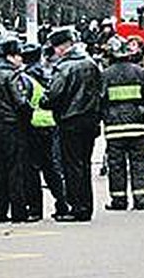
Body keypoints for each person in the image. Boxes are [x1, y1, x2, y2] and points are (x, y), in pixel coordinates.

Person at [43, 26, 104, 222]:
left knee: (72, 166)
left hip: (70, 121)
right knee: (84, 165)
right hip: (90, 121)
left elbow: (54, 95)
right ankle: (86, 206)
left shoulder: (65, 67)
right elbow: (102, 92)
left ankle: (77, 207)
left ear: (61, 48)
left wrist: (44, 101)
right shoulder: (91, 64)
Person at [100, 36, 144, 211]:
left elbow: (99, 101)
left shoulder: (105, 75)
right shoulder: (142, 73)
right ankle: (142, 199)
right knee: (139, 163)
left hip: (114, 129)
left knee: (116, 165)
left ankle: (119, 200)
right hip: (137, 127)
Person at [0, 36, 31, 223]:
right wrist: (29, 113)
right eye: (19, 55)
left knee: (0, 170)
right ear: (11, 57)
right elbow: (20, 102)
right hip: (14, 126)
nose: (21, 59)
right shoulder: (12, 76)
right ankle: (19, 211)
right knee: (15, 170)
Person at [21, 42, 68, 221]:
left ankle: (35, 209)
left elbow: (24, 103)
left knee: (32, 170)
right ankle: (62, 204)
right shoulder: (50, 73)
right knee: (52, 169)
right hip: (51, 124)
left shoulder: (26, 78)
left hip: (33, 126)